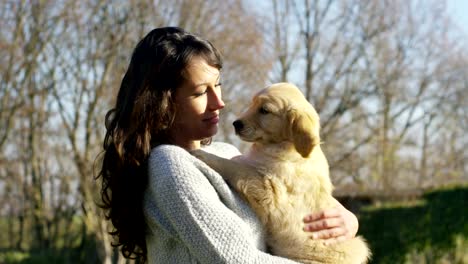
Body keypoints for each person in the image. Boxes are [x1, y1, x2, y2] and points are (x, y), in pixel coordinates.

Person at [97, 27, 359, 263]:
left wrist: (349, 221)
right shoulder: (171, 165)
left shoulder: (226, 152)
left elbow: (298, 201)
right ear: (163, 104)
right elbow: (234, 259)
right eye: (201, 92)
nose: (219, 102)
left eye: (218, 85)